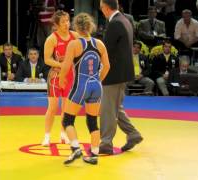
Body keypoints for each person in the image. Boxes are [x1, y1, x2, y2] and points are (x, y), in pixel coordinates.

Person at [59, 13, 110, 165]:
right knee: (92, 121)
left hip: (81, 86)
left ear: (76, 27)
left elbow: (66, 66)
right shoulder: (99, 44)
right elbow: (107, 66)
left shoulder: (74, 44)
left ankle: (75, 148)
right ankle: (94, 154)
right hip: (96, 86)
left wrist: (62, 80)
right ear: (90, 27)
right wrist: (98, 80)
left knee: (67, 119)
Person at [99, 0, 143, 154]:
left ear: (105, 7)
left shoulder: (114, 23)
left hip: (113, 73)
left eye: (101, 7)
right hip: (122, 72)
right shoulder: (125, 19)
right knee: (115, 106)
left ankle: (105, 143)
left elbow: (106, 51)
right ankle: (133, 134)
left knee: (107, 109)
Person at [41, 10, 78, 146]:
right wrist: (63, 65)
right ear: (56, 24)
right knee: (52, 108)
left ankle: (63, 134)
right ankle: (47, 136)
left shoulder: (75, 36)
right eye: (63, 22)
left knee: (66, 108)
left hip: (70, 76)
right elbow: (46, 59)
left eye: (68, 20)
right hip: (56, 77)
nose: (66, 24)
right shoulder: (52, 38)